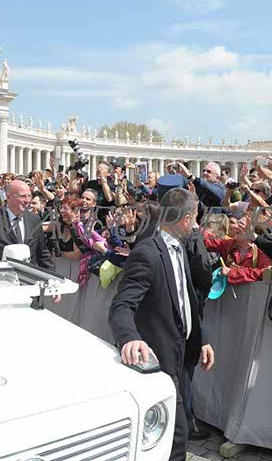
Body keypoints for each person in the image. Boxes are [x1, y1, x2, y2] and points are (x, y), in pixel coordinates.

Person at [109, 188, 215, 460]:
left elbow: (186, 299)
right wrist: (129, 337)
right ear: (186, 219)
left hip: (182, 354)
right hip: (160, 357)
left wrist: (201, 339)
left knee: (177, 433)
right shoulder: (148, 252)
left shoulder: (180, 248)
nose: (196, 226)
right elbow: (122, 304)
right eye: (195, 219)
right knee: (177, 437)